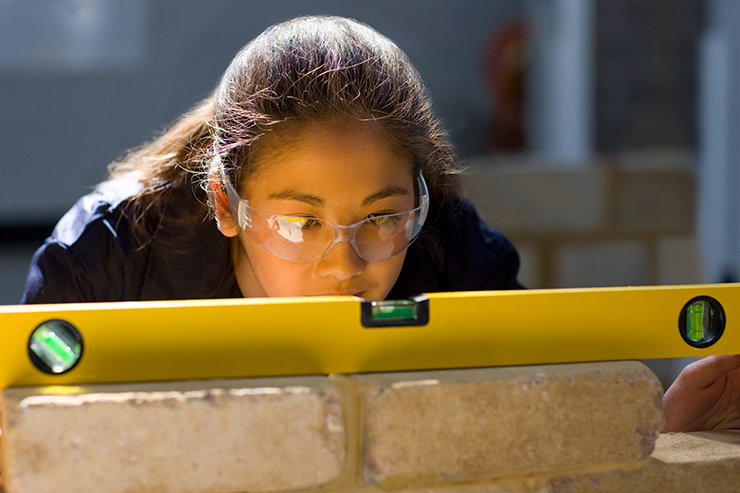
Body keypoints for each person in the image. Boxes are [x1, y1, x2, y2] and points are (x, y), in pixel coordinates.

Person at [21, 15, 522, 305]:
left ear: (419, 198)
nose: (345, 268)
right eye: (302, 224)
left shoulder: (459, 262)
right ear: (224, 205)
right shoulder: (105, 264)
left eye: (380, 218)